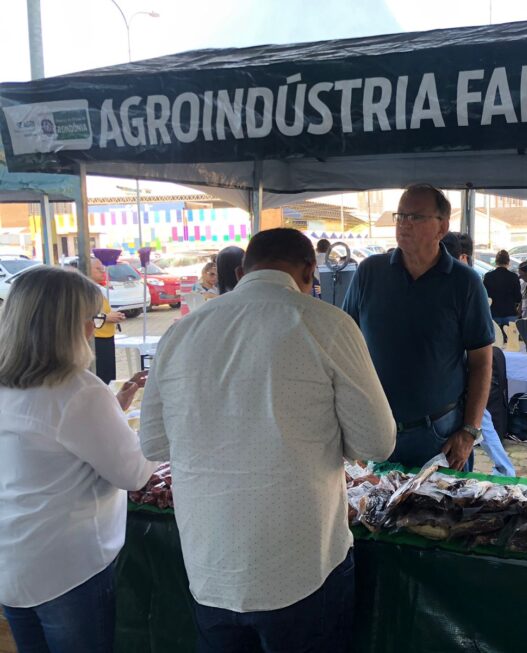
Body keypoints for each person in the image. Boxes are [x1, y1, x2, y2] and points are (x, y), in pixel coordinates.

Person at [139, 228, 395, 652]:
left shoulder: (180, 333)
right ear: (311, 270)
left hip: (210, 565)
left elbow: (153, 445)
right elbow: (376, 443)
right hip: (301, 565)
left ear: (241, 271)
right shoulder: (327, 324)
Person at [0, 266, 156, 653]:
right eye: (92, 319)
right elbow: (134, 473)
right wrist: (160, 423)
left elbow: (44, 451)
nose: (94, 329)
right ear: (67, 324)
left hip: (12, 556)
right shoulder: (77, 390)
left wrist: (113, 410)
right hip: (67, 564)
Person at [343, 184, 494, 471]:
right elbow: (345, 348)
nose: (404, 225)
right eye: (400, 216)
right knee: (372, 514)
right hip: (375, 431)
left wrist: (470, 432)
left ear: (442, 227)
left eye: (415, 217)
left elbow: (482, 363)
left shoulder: (464, 282)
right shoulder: (369, 273)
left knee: (441, 514)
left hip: (439, 434)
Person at [443, 233, 516, 477]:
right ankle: (505, 469)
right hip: (459, 375)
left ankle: (505, 469)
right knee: (482, 421)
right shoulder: (462, 282)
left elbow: (481, 355)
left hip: (466, 371)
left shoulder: (470, 283)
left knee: (480, 421)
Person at [87, 256, 126, 384]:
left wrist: (114, 316)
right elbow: (85, 316)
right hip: (95, 339)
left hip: (107, 336)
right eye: (98, 269)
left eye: (103, 269)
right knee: (101, 377)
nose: (103, 272)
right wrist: (106, 317)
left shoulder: (99, 289)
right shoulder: (84, 291)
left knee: (109, 376)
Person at [484, 250, 522, 329]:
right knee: (511, 340)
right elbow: (518, 298)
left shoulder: (488, 276)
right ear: (508, 262)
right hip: (510, 314)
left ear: (496, 262)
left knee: (496, 340)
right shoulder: (513, 277)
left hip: (493, 314)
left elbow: (485, 296)